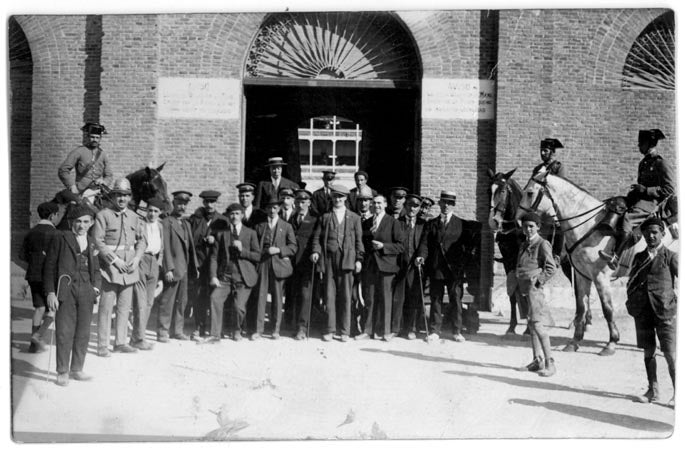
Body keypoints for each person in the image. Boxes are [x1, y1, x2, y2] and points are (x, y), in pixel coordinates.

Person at [600, 129, 676, 269]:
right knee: (614, 204)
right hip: (638, 199)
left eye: (641, 143)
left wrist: (646, 190)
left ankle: (616, 256)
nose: (639, 146)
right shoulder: (643, 163)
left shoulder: (661, 163)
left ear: (649, 144)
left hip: (651, 203)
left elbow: (670, 189)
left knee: (628, 218)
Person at [43, 205, 101, 386]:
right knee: (64, 331)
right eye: (78, 222)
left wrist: (96, 289)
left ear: (91, 223)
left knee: (83, 331)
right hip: (65, 289)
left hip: (86, 290)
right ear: (71, 222)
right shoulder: (61, 238)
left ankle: (77, 368)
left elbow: (97, 270)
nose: (82, 225)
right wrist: (51, 292)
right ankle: (62, 371)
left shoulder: (91, 242)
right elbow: (49, 267)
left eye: (85, 222)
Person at [625, 217, 677, 406]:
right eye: (647, 233)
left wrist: (675, 304)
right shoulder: (639, 258)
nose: (651, 236)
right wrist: (632, 304)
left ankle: (678, 393)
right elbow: (630, 283)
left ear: (662, 234)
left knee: (671, 353)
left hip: (665, 312)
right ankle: (652, 390)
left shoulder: (671, 256)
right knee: (648, 351)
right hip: (643, 312)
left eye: (655, 232)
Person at [92, 178, 147, 357]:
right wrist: (115, 261)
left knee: (124, 307)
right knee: (106, 307)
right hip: (111, 268)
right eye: (118, 195)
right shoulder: (103, 215)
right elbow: (98, 241)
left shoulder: (134, 216)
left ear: (130, 197)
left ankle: (121, 342)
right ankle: (102, 345)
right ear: (113, 196)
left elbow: (142, 240)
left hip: (130, 267)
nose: (122, 199)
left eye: (125, 195)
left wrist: (137, 258)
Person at [311, 185, 364, 342]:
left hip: (347, 260)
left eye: (341, 197)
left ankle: (345, 331)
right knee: (329, 295)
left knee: (346, 296)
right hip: (328, 260)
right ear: (332, 198)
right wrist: (315, 251)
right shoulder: (325, 217)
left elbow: (359, 241)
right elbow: (317, 239)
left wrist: (359, 259)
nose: (338, 200)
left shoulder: (354, 218)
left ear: (346, 198)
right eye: (335, 197)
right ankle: (329, 329)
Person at [415, 190, 467, 343]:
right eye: (444, 202)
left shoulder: (461, 224)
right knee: (436, 298)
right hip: (436, 267)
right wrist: (421, 257)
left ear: (453, 205)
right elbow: (424, 244)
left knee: (456, 299)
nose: (446, 206)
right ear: (439, 203)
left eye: (450, 203)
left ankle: (457, 330)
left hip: (453, 270)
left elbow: (466, 248)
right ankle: (434, 330)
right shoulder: (431, 224)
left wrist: (462, 266)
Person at [208, 203, 260, 342]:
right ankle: (215, 334)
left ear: (242, 215)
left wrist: (243, 251)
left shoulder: (251, 233)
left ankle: (237, 330)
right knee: (215, 299)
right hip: (225, 275)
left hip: (243, 277)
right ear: (228, 216)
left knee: (238, 307)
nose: (234, 216)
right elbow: (214, 257)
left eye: (237, 213)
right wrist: (213, 276)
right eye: (232, 214)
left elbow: (258, 256)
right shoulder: (221, 234)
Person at [515, 212, 558, 377]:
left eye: (531, 226)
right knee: (531, 324)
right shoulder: (524, 244)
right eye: (525, 226)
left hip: (534, 290)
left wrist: (538, 282)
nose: (528, 229)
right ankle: (537, 360)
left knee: (538, 324)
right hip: (523, 288)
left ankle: (550, 362)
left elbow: (551, 267)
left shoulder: (542, 243)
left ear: (538, 227)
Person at [357, 195, 404, 341]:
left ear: (385, 204)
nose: (376, 205)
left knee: (385, 299)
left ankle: (385, 331)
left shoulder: (393, 222)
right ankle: (367, 330)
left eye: (379, 203)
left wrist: (384, 246)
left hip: (386, 266)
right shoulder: (367, 222)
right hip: (370, 266)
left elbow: (400, 245)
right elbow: (362, 244)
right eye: (374, 203)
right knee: (369, 298)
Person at [251, 195, 297, 340]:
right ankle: (258, 330)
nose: (272, 210)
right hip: (263, 264)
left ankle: (275, 330)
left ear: (280, 208)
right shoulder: (259, 226)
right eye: (270, 207)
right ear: (265, 209)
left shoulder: (286, 226)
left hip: (279, 264)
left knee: (277, 298)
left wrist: (279, 250)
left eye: (275, 207)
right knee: (261, 296)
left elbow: (293, 247)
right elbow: (254, 247)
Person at [159, 191, 199, 342]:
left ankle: (178, 330)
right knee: (168, 300)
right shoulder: (167, 222)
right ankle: (163, 331)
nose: (182, 207)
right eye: (179, 203)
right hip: (174, 268)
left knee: (182, 301)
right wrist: (168, 268)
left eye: (184, 204)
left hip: (185, 269)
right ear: (173, 204)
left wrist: (194, 267)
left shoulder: (186, 223)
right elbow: (166, 247)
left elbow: (190, 248)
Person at [187, 190, 227, 340]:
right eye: (207, 202)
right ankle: (199, 327)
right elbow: (192, 240)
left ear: (217, 203)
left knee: (217, 296)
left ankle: (217, 328)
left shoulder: (223, 220)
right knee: (199, 297)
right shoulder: (196, 219)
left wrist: (214, 239)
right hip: (200, 264)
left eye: (213, 202)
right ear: (203, 203)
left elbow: (225, 242)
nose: (210, 205)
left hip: (216, 265)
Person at [21, 202, 60, 353]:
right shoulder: (55, 233)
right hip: (49, 276)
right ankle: (39, 335)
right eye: (57, 214)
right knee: (52, 309)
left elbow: (22, 255)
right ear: (52, 215)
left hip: (33, 275)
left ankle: (33, 346)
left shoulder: (31, 232)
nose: (58, 217)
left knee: (39, 308)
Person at [130, 197, 164, 351]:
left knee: (149, 302)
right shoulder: (139, 223)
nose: (152, 213)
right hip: (142, 260)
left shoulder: (161, 226)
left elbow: (162, 247)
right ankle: (138, 339)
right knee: (141, 303)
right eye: (150, 210)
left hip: (154, 263)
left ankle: (139, 336)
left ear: (160, 213)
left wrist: (159, 263)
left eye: (156, 211)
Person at [287, 189, 319, 339]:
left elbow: (316, 239)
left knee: (306, 295)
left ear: (309, 203)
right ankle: (291, 323)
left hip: (307, 262)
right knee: (293, 293)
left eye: (304, 201)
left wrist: (315, 253)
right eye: (298, 201)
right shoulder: (292, 218)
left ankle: (302, 327)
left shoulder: (314, 219)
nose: (300, 204)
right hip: (292, 262)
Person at [394, 194, 426, 339]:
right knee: (399, 297)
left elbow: (425, 245)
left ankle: (412, 328)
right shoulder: (397, 222)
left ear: (419, 208)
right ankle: (398, 327)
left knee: (414, 298)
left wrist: (421, 257)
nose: (412, 209)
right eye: (410, 206)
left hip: (416, 267)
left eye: (416, 206)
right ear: (405, 206)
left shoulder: (423, 224)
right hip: (399, 266)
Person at [533, 138, 567, 264]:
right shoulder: (537, 168)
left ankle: (557, 254)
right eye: (541, 151)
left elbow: (559, 187)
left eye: (545, 151)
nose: (542, 153)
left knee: (559, 224)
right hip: (538, 203)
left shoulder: (558, 167)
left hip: (554, 202)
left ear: (552, 152)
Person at [58, 122, 113, 198]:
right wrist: (72, 186)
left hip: (98, 191)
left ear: (100, 139)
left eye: (97, 138)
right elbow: (63, 170)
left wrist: (104, 182)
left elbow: (109, 175)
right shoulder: (79, 151)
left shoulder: (103, 154)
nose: (95, 140)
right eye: (92, 137)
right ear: (88, 137)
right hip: (81, 191)